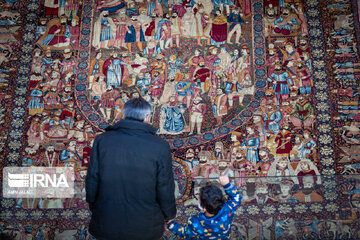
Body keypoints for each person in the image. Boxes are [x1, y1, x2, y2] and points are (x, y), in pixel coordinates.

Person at [86, 97, 176, 240]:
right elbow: (164, 185)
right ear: (147, 117)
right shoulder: (160, 145)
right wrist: (169, 214)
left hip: (107, 219)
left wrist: (94, 205)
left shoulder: (102, 140)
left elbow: (92, 178)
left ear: (124, 115)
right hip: (146, 224)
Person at [167, 175, 241, 239]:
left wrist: (171, 224)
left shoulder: (195, 222)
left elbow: (185, 233)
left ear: (204, 208)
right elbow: (236, 197)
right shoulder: (228, 209)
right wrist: (227, 185)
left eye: (199, 198)